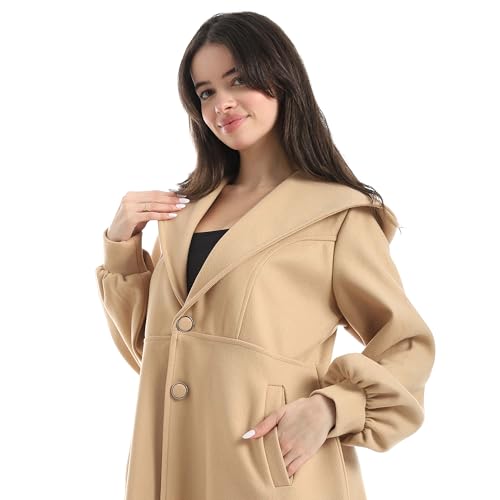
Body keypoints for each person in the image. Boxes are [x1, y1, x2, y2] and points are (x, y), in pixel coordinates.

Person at [95, 11, 435, 500]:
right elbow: (152, 355)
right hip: (173, 466)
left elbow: (407, 345)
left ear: (280, 77)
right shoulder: (183, 217)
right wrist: (122, 247)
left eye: (237, 81)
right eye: (205, 92)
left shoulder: (337, 215)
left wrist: (332, 408)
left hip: (274, 475)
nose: (221, 104)